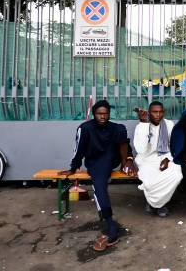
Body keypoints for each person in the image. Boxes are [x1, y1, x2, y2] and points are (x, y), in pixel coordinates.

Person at [58, 100, 136, 252]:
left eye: (106, 114)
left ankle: (125, 165)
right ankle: (109, 222)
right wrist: (73, 168)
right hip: (96, 162)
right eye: (100, 114)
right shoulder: (85, 128)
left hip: (112, 159)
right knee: (99, 186)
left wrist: (128, 160)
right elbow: (79, 149)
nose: (103, 117)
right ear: (94, 114)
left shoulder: (115, 128)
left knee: (121, 129)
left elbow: (125, 144)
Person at [133, 101, 183, 217]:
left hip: (165, 157)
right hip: (146, 159)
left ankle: (158, 203)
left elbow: (173, 145)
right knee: (149, 180)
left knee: (177, 174)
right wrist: (144, 124)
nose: (158, 115)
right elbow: (141, 149)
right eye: (155, 112)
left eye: (160, 112)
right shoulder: (141, 126)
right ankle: (159, 204)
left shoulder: (169, 124)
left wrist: (167, 159)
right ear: (149, 113)